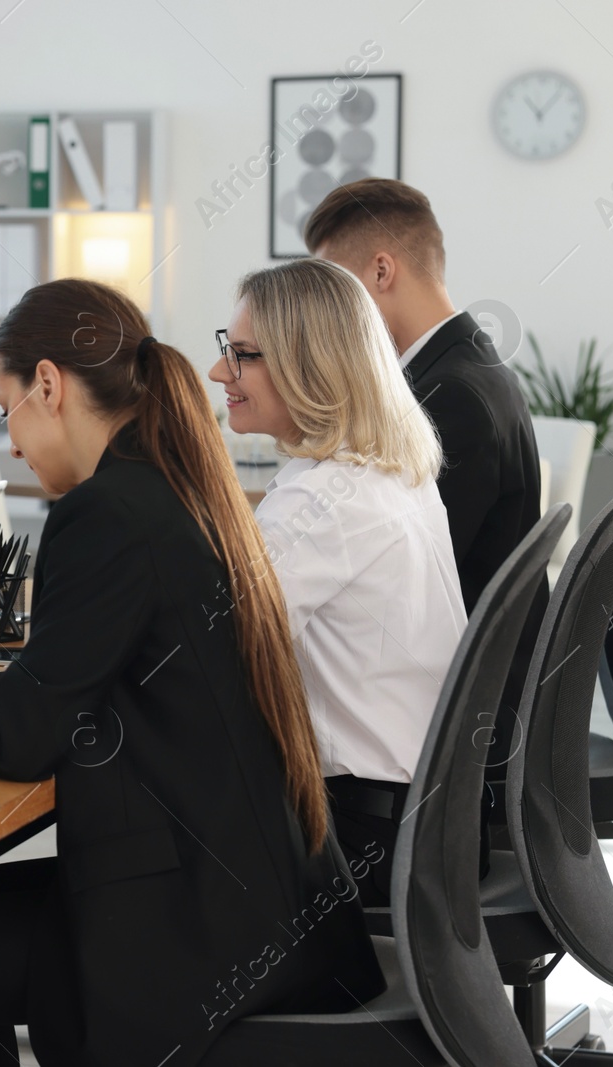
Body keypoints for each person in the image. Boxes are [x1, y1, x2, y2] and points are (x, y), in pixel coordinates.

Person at [0, 278, 385, 1066]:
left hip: (200, 925)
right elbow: (71, 688)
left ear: (48, 385)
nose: (12, 442)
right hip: (266, 898)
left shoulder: (106, 513)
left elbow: (22, 737)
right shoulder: (176, 481)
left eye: (5, 407)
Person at [209, 257, 468, 904]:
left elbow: (207, 658)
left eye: (242, 355)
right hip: (420, 826)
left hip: (357, 846)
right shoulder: (390, 473)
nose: (219, 372)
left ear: (309, 364)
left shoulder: (322, 501)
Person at [304, 178, 540, 616]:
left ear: (381, 271)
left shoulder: (448, 396)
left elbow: (405, 572)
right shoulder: (472, 362)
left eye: (336, 287)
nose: (330, 310)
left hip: (460, 669)